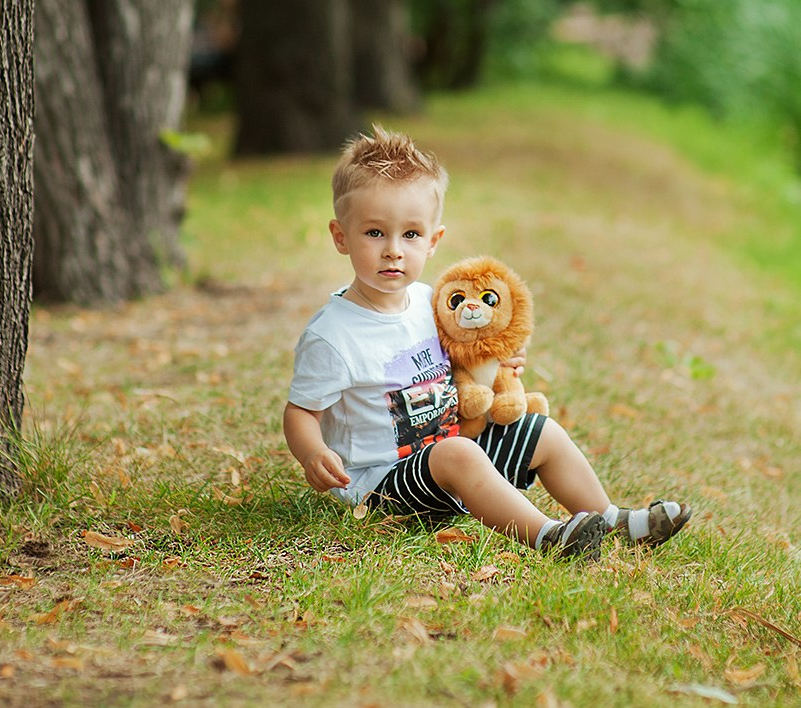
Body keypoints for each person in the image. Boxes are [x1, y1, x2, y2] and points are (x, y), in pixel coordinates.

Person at [284, 126, 691, 561]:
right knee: (456, 453)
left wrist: (499, 360)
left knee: (541, 432)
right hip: (381, 488)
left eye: (411, 235)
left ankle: (610, 520)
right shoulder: (334, 335)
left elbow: (464, 354)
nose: (393, 251)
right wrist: (313, 453)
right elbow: (301, 412)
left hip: (450, 448)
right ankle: (549, 537)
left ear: (434, 241)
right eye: (374, 233)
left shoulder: (430, 302)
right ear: (341, 236)